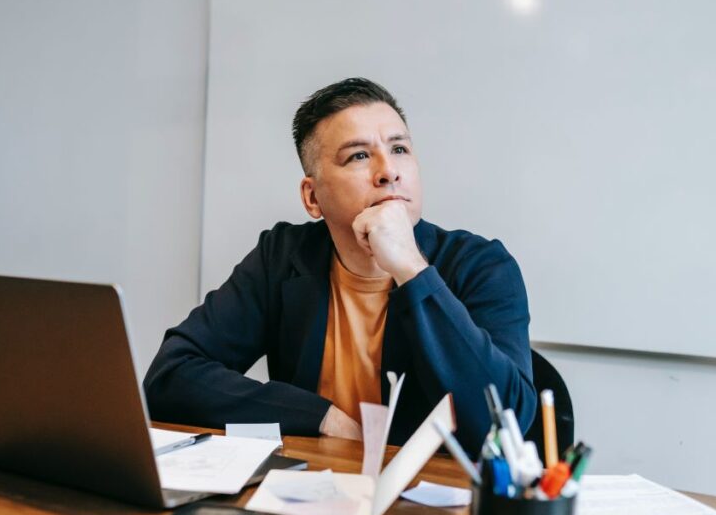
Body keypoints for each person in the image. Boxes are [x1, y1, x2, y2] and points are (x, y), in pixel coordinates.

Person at [143, 78, 535, 454]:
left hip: (433, 506)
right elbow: (170, 378)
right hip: (309, 493)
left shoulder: (482, 266)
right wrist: (318, 416)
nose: (389, 171)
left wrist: (412, 270)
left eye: (399, 149)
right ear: (312, 198)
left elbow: (505, 426)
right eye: (359, 156)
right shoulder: (283, 257)